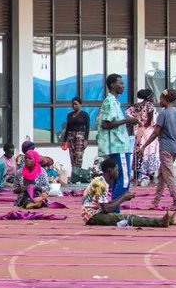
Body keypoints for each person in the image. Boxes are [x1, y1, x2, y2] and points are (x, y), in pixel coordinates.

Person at [82, 158, 175, 228]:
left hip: (95, 214)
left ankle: (167, 221)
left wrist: (124, 195)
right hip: (93, 217)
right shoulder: (100, 184)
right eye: (116, 170)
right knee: (128, 218)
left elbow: (106, 204)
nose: (117, 172)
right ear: (110, 170)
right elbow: (106, 209)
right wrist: (123, 198)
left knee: (128, 217)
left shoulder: (101, 182)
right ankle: (160, 222)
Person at [138, 88, 176, 211]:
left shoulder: (163, 114)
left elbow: (155, 132)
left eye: (161, 99)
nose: (159, 101)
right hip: (175, 147)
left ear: (165, 99)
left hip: (166, 148)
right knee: (162, 175)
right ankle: (156, 201)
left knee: (169, 176)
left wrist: (143, 146)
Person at [98, 74, 136, 203]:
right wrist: (127, 120)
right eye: (120, 83)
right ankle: (115, 208)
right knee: (124, 180)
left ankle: (114, 208)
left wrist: (126, 123)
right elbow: (105, 124)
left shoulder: (115, 102)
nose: (123, 86)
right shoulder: (110, 101)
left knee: (117, 178)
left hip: (120, 145)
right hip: (118, 147)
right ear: (112, 85)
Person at [128, 88, 159, 185]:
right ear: (149, 97)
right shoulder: (150, 105)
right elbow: (150, 120)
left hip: (139, 131)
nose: (154, 98)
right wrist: (146, 124)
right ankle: (150, 176)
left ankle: (136, 177)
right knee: (149, 152)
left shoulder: (137, 105)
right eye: (153, 96)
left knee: (138, 152)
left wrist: (137, 121)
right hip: (148, 131)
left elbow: (127, 113)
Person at [60, 98, 91, 170]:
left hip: (80, 137)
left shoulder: (84, 115)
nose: (74, 106)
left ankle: (78, 172)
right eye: (73, 104)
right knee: (72, 155)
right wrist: (65, 140)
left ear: (80, 104)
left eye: (76, 104)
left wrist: (86, 140)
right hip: (71, 137)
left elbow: (87, 128)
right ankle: (74, 173)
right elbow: (67, 128)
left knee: (78, 155)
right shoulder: (70, 115)